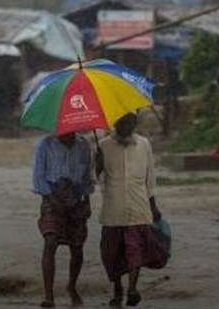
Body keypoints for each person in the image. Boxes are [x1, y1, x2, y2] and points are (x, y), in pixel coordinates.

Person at [95, 112, 165, 307]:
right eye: (120, 121)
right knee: (112, 253)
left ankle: (132, 288)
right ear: (114, 123)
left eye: (128, 121)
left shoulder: (144, 144)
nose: (124, 125)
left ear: (135, 123)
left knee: (136, 249)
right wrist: (98, 166)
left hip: (138, 207)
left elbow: (150, 178)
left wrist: (153, 205)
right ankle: (117, 287)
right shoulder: (103, 146)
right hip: (113, 210)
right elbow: (95, 180)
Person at [32, 132, 94, 308]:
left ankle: (72, 286)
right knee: (50, 241)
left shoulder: (84, 145)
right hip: (51, 197)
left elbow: (86, 178)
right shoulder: (44, 144)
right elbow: (38, 177)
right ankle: (49, 295)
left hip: (76, 199)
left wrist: (87, 201)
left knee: (77, 246)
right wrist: (52, 200)